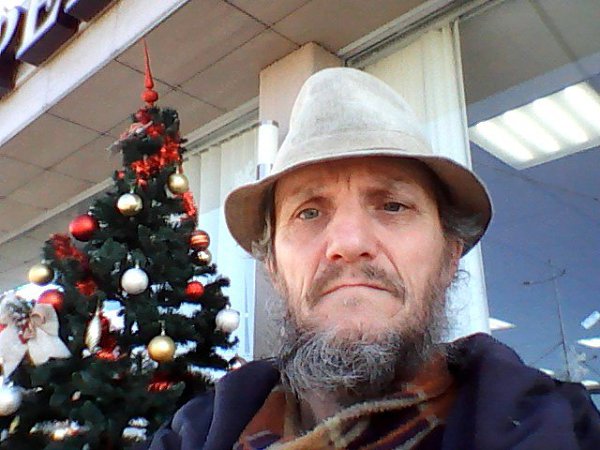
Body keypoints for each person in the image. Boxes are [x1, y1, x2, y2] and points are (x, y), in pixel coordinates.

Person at [145, 68, 600, 449]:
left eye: (393, 206)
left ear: (449, 258)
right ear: (275, 269)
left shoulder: (562, 431)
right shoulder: (193, 436)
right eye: (309, 212)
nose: (348, 242)